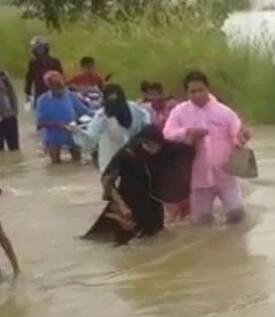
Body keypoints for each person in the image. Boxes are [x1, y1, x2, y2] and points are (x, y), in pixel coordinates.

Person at [163, 71, 250, 224]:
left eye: (200, 90)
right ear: (187, 93)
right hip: (198, 177)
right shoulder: (179, 112)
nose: (197, 94)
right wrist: (187, 132)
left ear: (208, 89)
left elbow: (236, 131)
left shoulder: (224, 112)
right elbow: (167, 132)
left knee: (237, 217)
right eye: (192, 91)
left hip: (225, 174)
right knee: (201, 222)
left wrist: (241, 136)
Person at [84, 125, 167, 246]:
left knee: (155, 240)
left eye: (158, 146)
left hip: (153, 203)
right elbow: (107, 180)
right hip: (128, 203)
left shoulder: (159, 154)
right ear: (142, 141)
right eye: (151, 145)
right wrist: (122, 205)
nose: (155, 150)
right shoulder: (127, 154)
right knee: (118, 243)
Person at [79, 83, 151, 172]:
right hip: (111, 160)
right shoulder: (101, 116)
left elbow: (147, 123)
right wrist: (77, 133)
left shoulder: (135, 109)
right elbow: (91, 137)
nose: (114, 105)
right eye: (111, 101)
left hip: (136, 157)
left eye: (117, 100)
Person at [35, 71, 89, 164]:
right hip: (53, 136)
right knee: (55, 165)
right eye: (56, 85)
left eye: (61, 85)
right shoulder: (42, 100)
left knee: (77, 163)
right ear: (49, 86)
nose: (60, 88)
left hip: (72, 133)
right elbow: (40, 122)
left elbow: (83, 111)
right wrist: (57, 124)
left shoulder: (71, 96)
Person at [24, 36, 63, 108]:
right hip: (39, 92)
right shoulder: (33, 62)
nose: (39, 50)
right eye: (37, 48)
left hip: (54, 91)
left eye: (41, 48)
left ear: (46, 48)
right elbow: (29, 78)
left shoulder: (55, 61)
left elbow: (61, 77)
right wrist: (27, 93)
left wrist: (62, 90)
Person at [0, 69, 20, 152]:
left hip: (9, 115)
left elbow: (12, 95)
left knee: (14, 148)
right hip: (7, 115)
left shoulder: (3, 77)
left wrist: (14, 111)